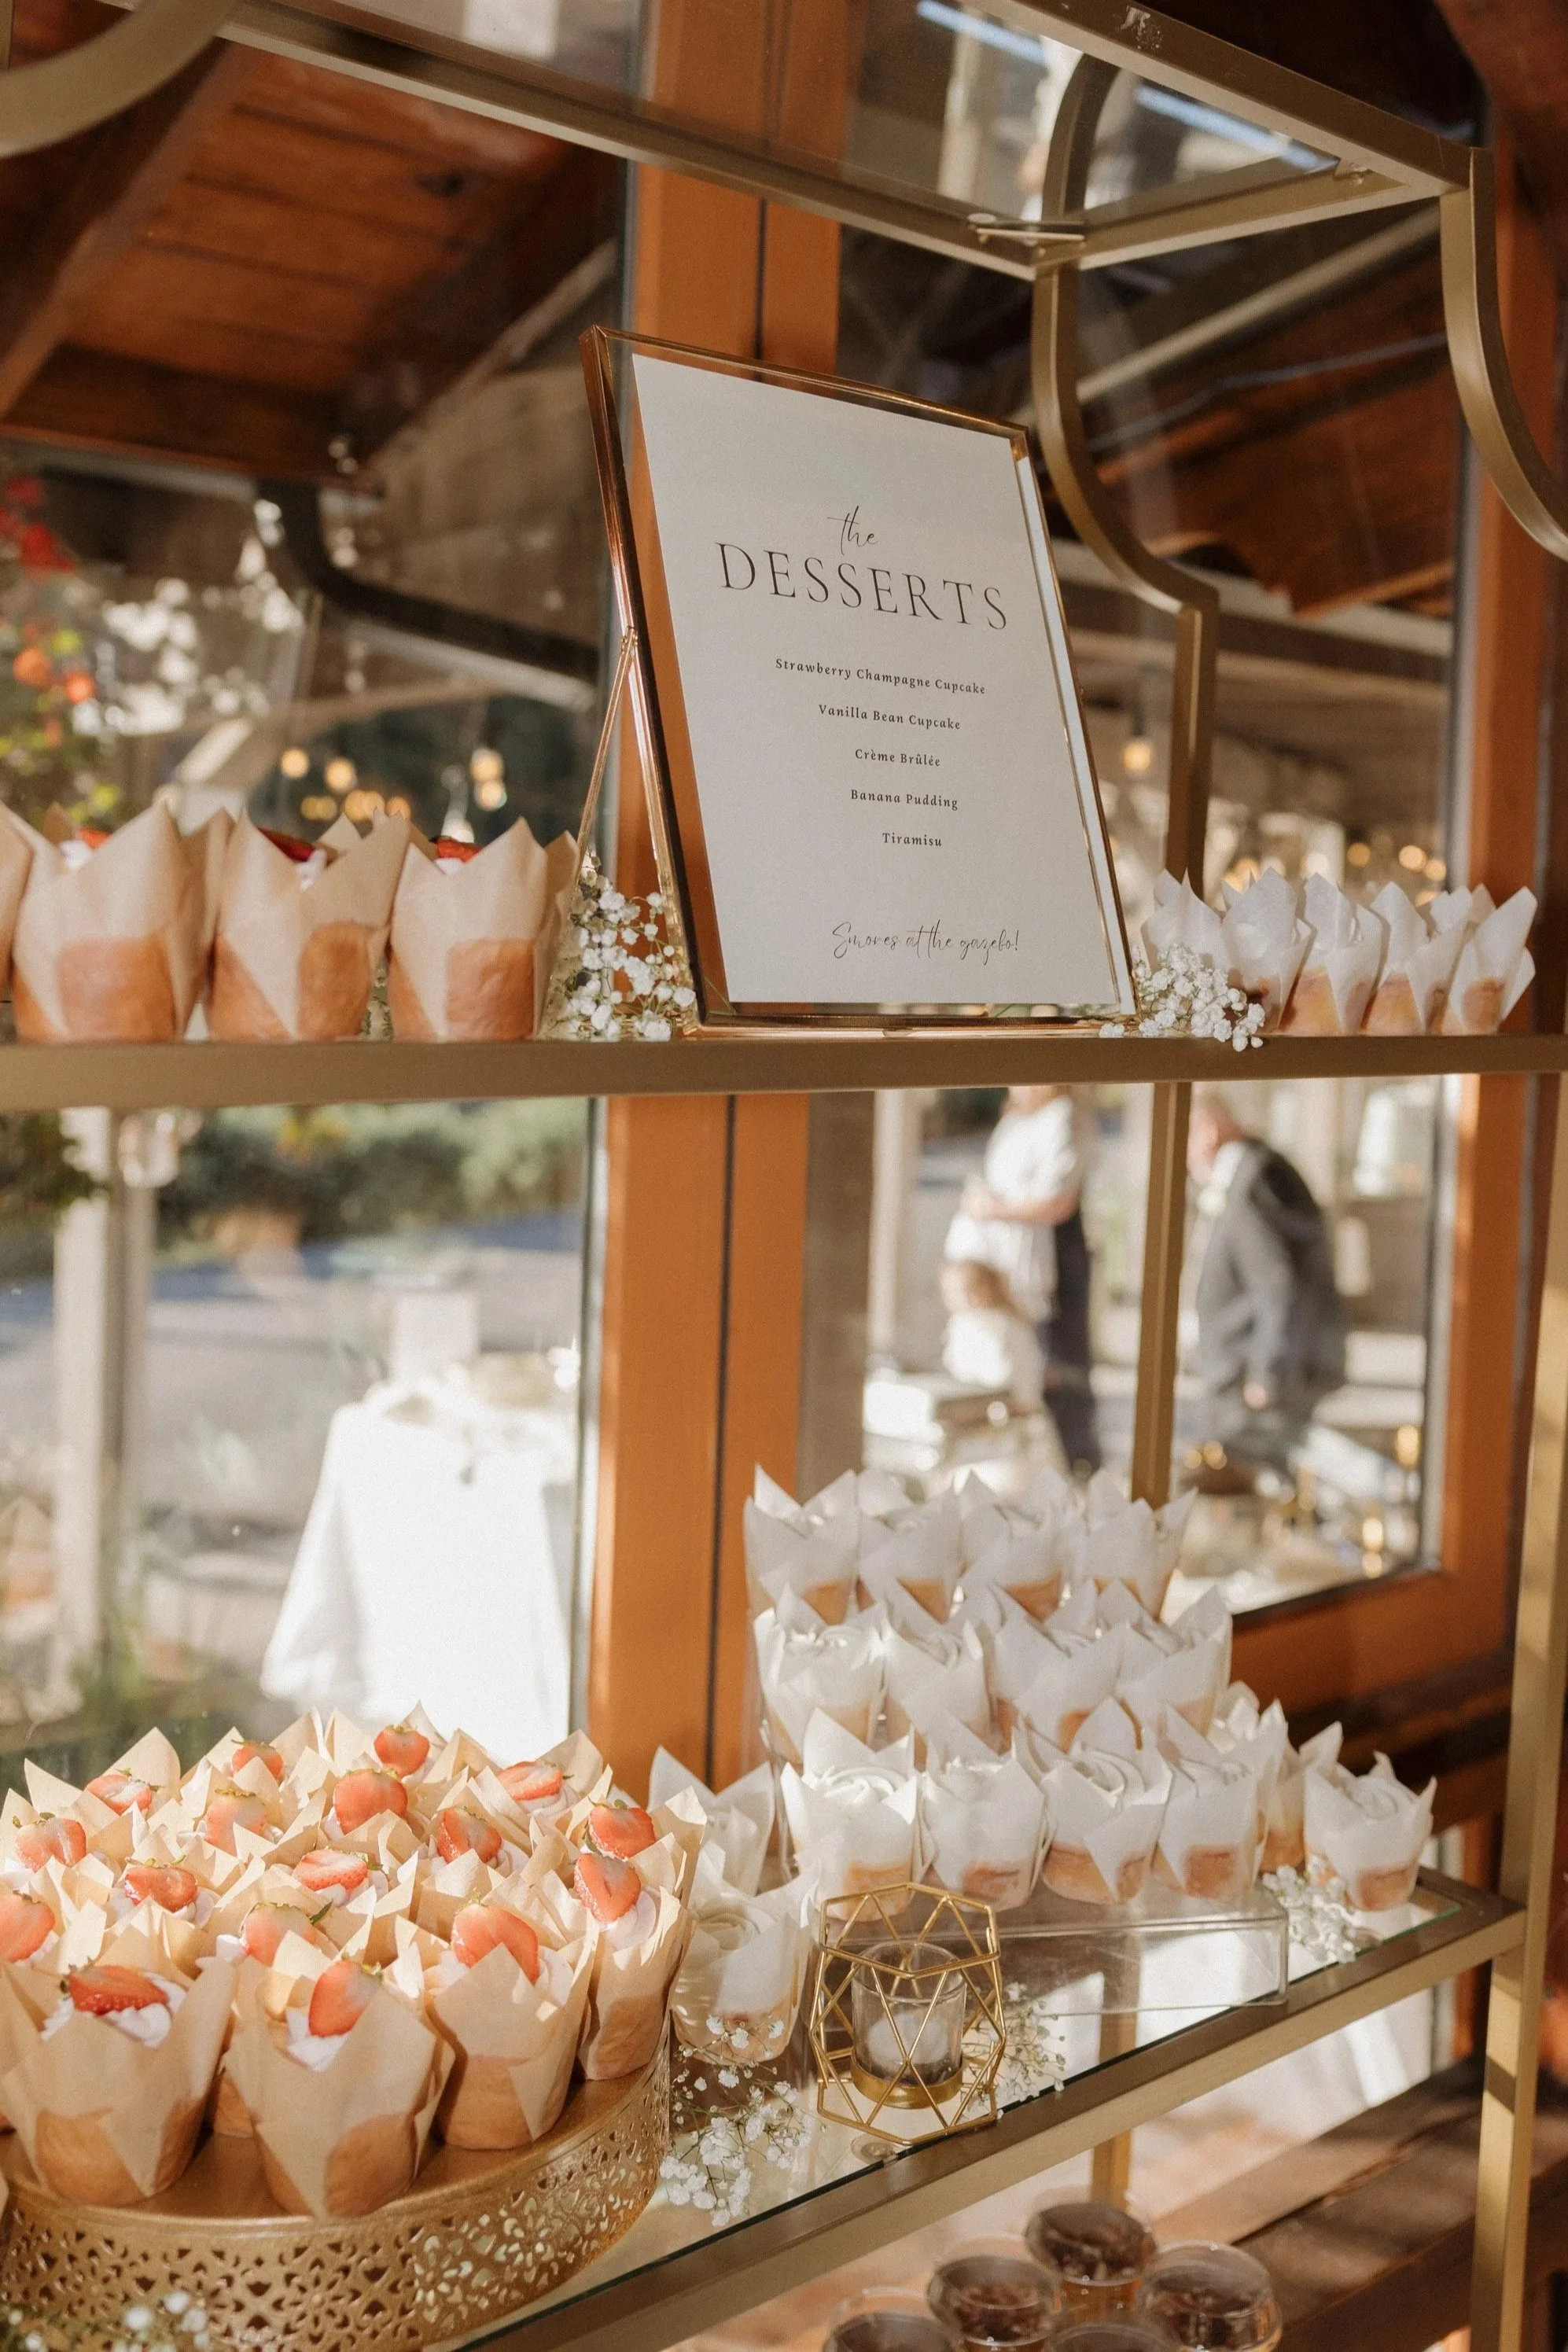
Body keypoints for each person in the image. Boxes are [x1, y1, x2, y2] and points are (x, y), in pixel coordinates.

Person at [1187, 1088, 1346, 1473]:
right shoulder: (1252, 1174)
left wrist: (1265, 1373)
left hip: (1250, 1383)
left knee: (1248, 1482)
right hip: (1242, 1375)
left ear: (1207, 1131)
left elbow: (1277, 1283)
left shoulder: (1254, 1180)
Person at [943, 1085, 1101, 1473]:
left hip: (1031, 1274)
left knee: (1044, 1382)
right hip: (994, 1271)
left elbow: (1057, 1200)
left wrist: (995, 1209)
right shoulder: (1014, 1120)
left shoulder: (1061, 1119)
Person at [940, 1258, 1046, 1415]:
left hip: (1010, 1412)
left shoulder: (1008, 1326)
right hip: (973, 1409)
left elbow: (1008, 1378)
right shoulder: (960, 1325)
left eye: (963, 1291)